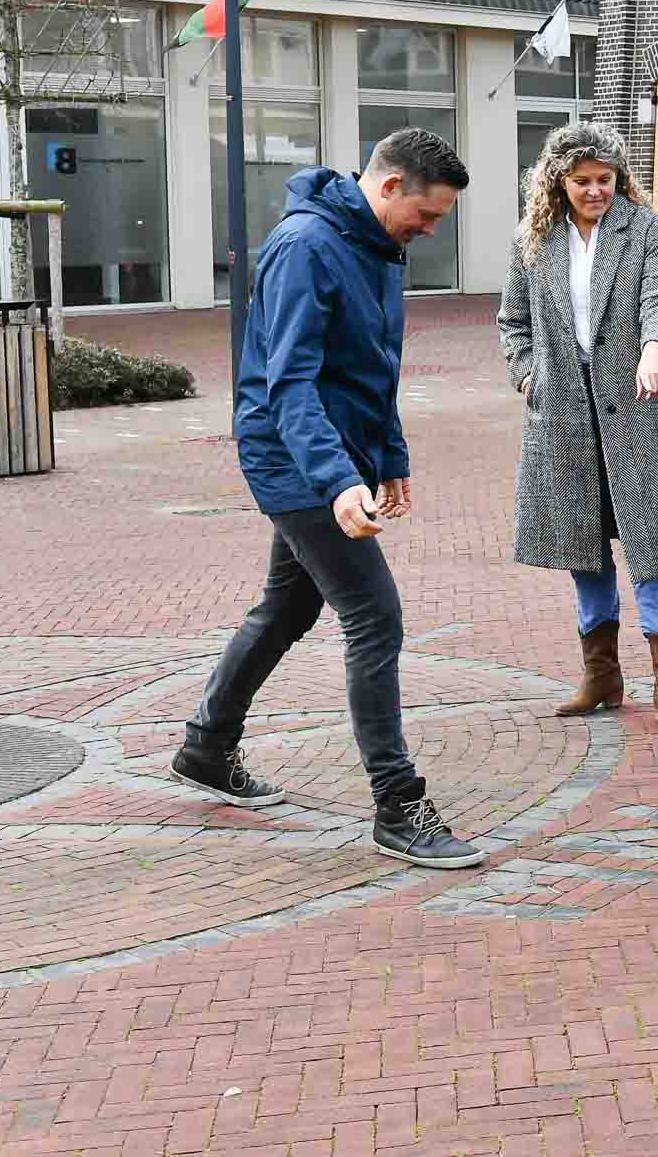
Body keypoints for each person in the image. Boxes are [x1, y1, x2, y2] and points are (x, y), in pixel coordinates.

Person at [171, 129, 484, 869]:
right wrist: (338, 479)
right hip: (294, 456)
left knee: (289, 605)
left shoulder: (375, 248)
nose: (432, 230)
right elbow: (290, 382)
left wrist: (390, 455)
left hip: (336, 454)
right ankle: (396, 804)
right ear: (387, 187)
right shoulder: (307, 247)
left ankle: (206, 748)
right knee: (374, 615)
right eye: (428, 214)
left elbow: (372, 366)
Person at [498, 121, 658, 733]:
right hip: (562, 414)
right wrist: (529, 376)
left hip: (638, 410)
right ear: (558, 181)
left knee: (652, 547)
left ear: (620, 178)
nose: (595, 191)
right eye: (583, 181)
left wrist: (652, 351)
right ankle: (601, 676)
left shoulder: (647, 230)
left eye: (605, 180)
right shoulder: (533, 240)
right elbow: (513, 321)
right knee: (583, 546)